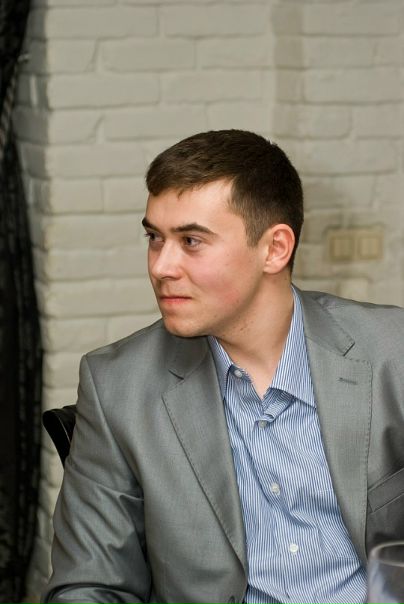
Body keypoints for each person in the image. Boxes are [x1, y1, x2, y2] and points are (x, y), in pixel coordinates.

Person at [42, 130, 404, 604]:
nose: (161, 266)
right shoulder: (117, 388)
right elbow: (89, 586)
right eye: (155, 238)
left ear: (275, 249)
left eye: (191, 241)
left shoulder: (391, 352)